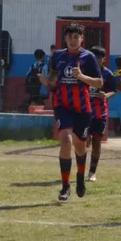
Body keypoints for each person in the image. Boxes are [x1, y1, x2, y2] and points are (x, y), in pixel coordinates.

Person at [48, 24, 103, 201]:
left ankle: (80, 176)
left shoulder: (89, 57)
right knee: (66, 140)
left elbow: (99, 83)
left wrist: (81, 77)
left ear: (81, 39)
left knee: (80, 147)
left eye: (76, 37)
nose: (72, 40)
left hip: (82, 108)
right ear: (65, 39)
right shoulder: (57, 56)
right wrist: (47, 82)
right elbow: (52, 81)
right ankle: (65, 186)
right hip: (62, 105)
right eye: (69, 37)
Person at [85, 46, 118, 182]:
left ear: (103, 59)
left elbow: (114, 90)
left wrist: (106, 95)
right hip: (85, 111)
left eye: (99, 58)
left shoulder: (108, 74)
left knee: (97, 142)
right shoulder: (84, 72)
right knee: (84, 141)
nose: (96, 60)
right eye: (94, 57)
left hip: (100, 113)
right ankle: (80, 169)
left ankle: (92, 172)